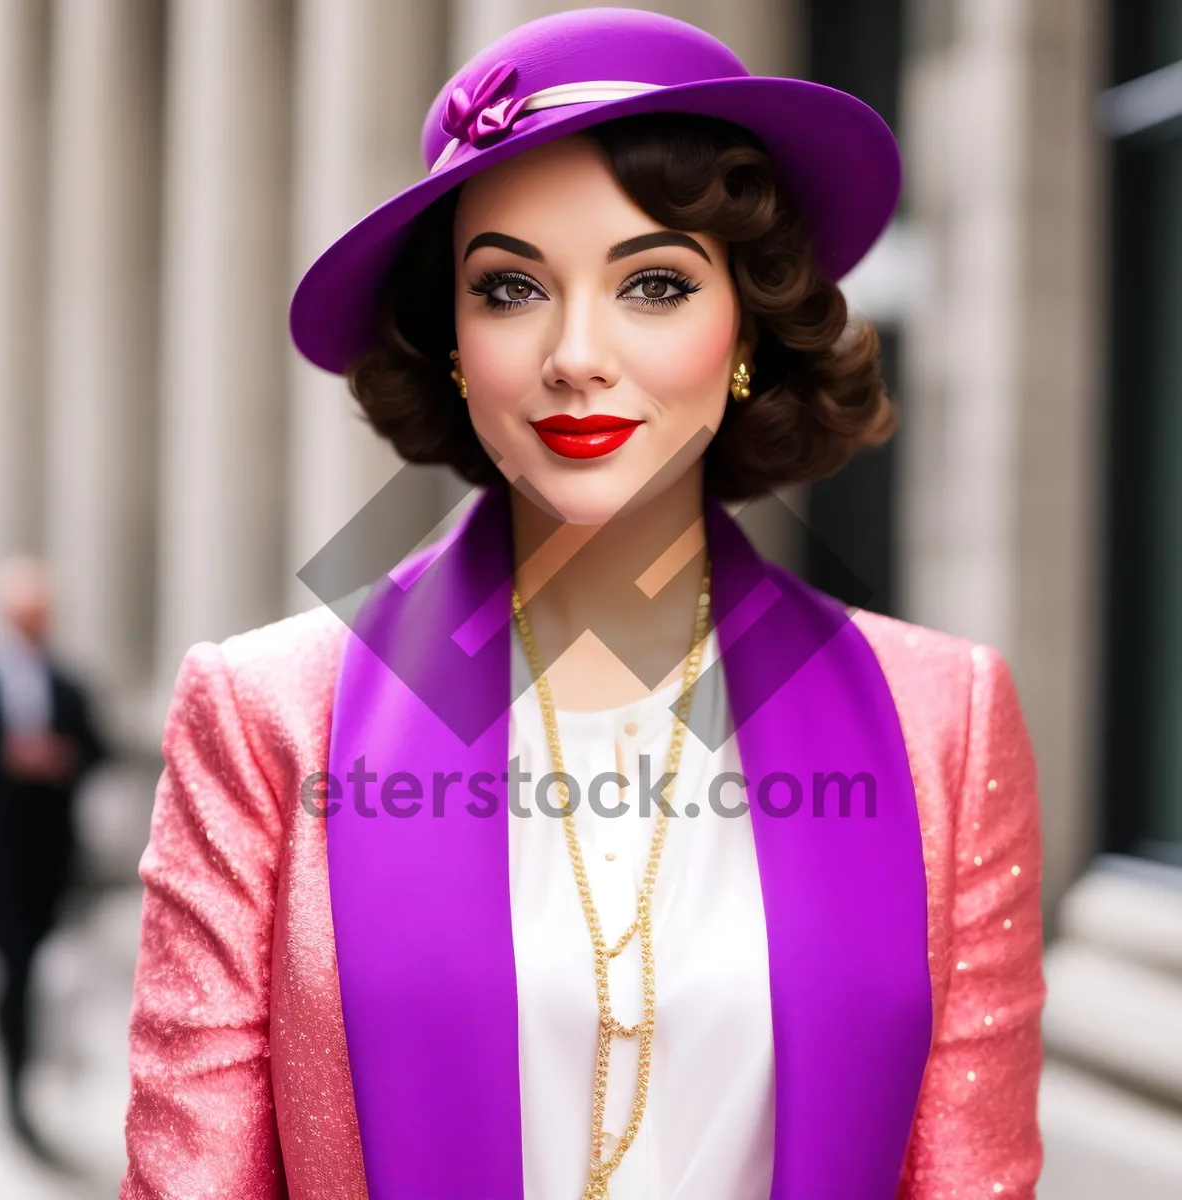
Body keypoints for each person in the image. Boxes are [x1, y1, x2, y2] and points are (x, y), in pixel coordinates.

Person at [120, 9, 1046, 1200]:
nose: (576, 353)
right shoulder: (261, 719)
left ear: (746, 327)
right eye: (509, 289)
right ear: (453, 344)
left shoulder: (945, 725)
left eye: (653, 283)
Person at [0, 555, 106, 1158]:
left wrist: (59, 759)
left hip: (38, 864)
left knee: (21, 977)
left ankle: (15, 1095)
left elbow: (96, 749)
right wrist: (7, 760)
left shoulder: (68, 684)